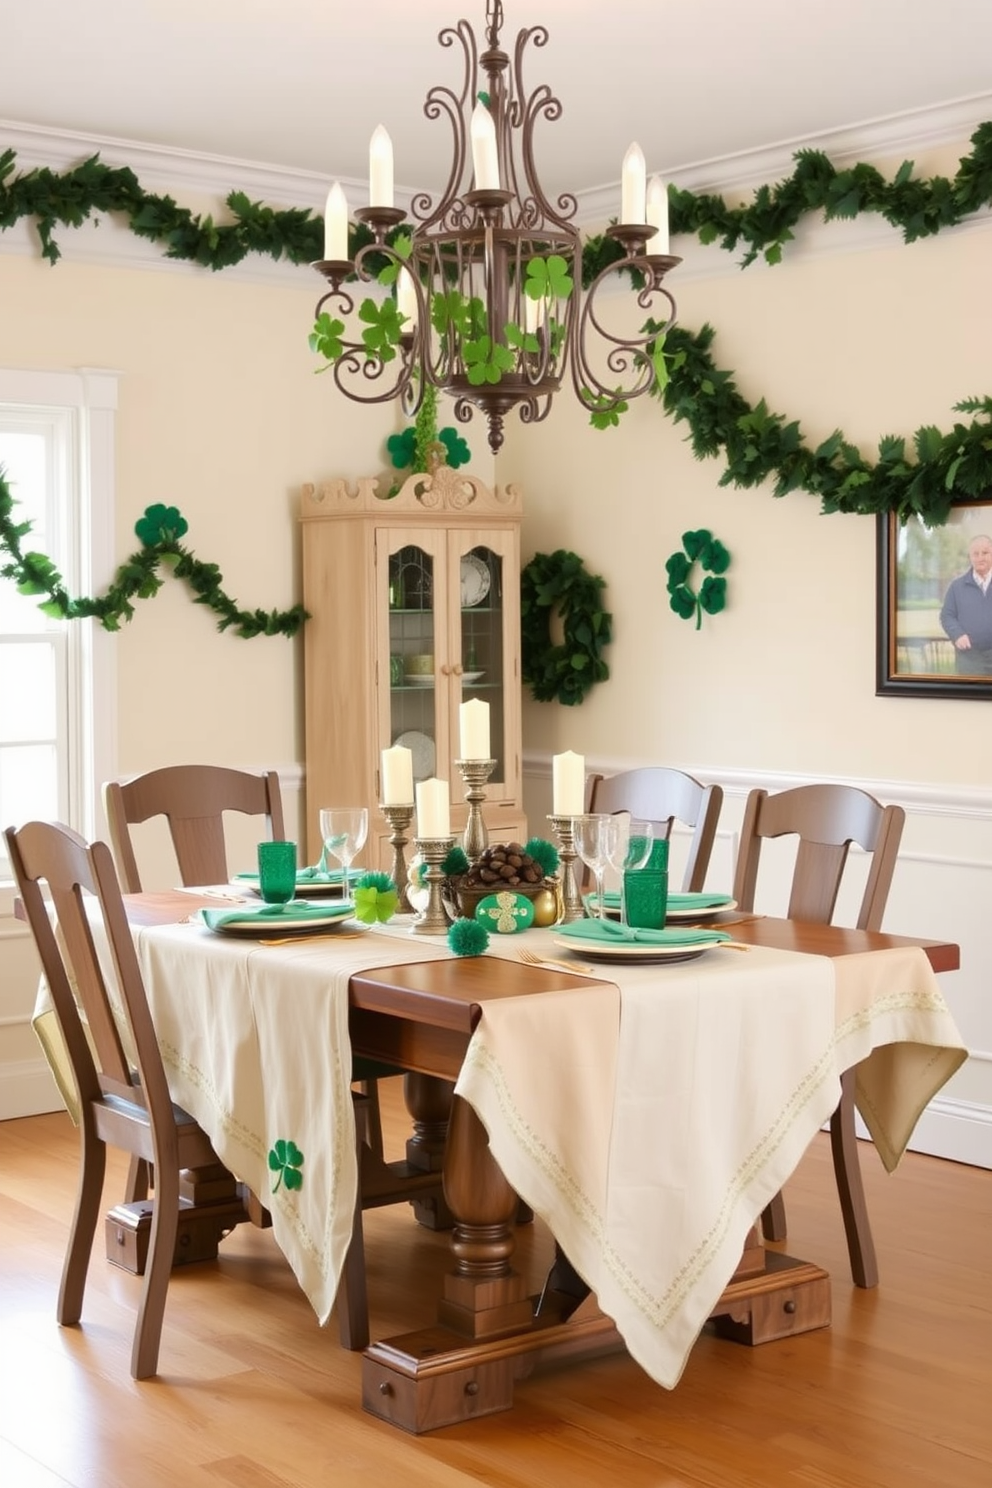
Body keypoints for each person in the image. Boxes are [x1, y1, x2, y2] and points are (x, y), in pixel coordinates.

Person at [939, 534, 992, 675]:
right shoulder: (956, 586)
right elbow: (947, 616)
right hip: (969, 658)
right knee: (970, 696)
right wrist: (957, 634)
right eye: (975, 554)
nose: (980, 557)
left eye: (985, 553)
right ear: (970, 557)